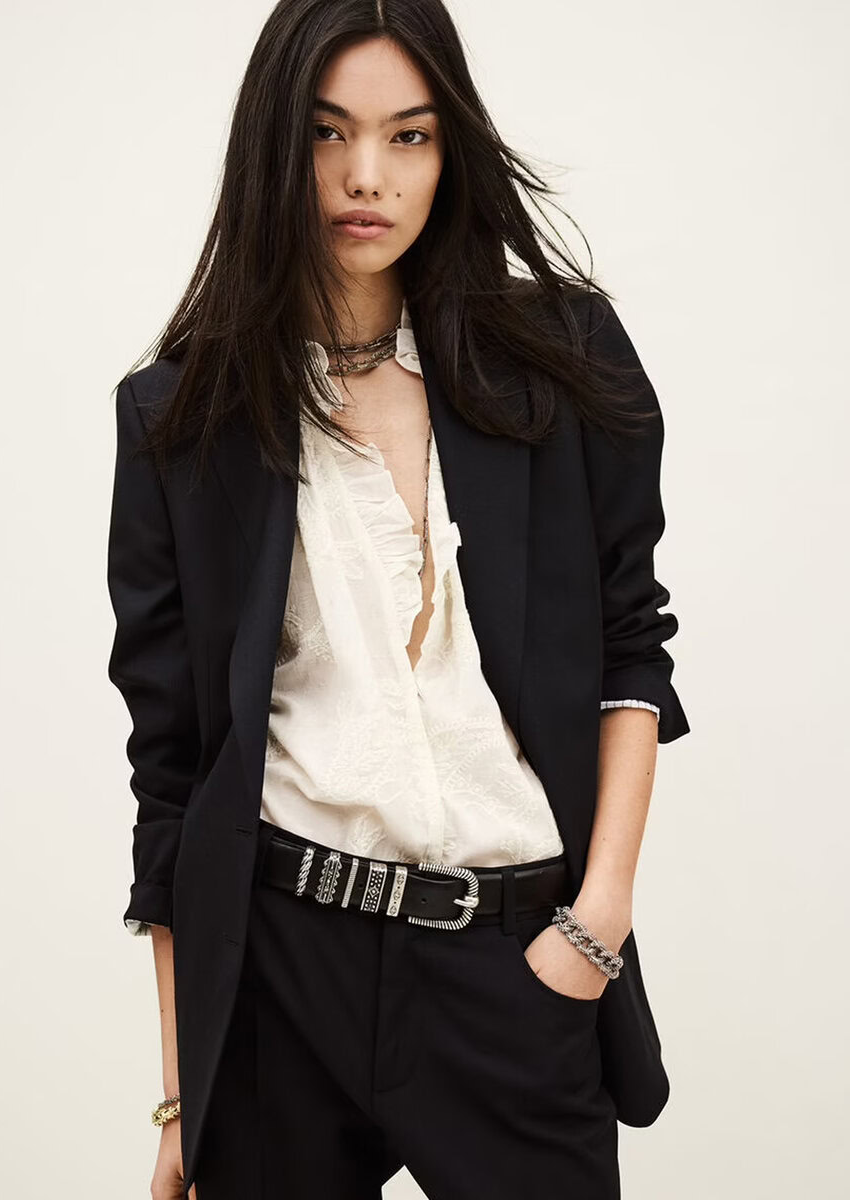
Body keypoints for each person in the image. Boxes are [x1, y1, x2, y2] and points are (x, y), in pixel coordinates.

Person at [106, 2, 690, 1197]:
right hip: (280, 975)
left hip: (513, 966)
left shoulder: (564, 358)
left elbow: (632, 646)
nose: (365, 175)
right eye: (327, 133)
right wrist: (181, 1094)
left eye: (408, 136)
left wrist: (596, 927)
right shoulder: (182, 419)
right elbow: (173, 776)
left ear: (448, 150)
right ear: (274, 145)